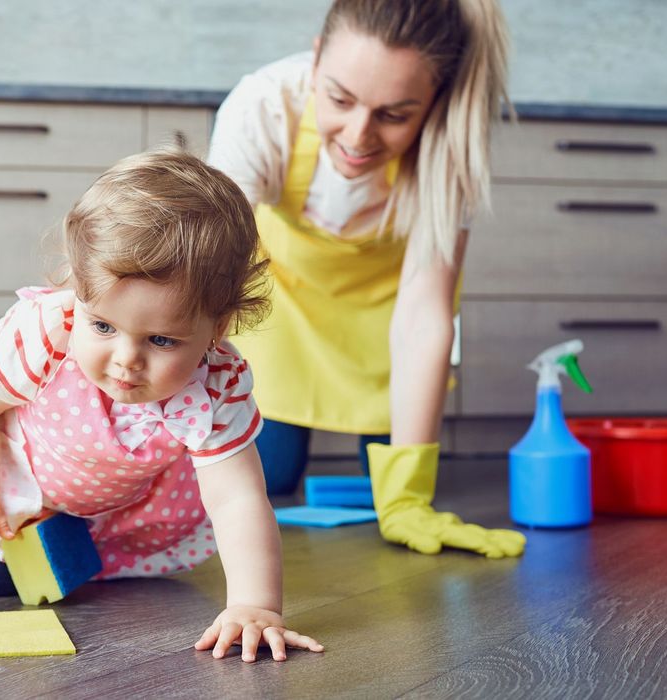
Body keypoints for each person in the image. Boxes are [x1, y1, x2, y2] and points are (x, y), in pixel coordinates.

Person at [0, 149, 324, 663]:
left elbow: (238, 499)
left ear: (216, 329)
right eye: (104, 327)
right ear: (77, 288)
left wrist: (256, 606)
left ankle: (73, 526)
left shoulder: (217, 386)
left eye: (161, 340)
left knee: (87, 564)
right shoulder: (46, 333)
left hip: (105, 486)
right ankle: (35, 516)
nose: (125, 361)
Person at [207, 0, 526, 558]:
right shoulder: (262, 107)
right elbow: (210, 272)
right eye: (338, 99)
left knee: (391, 490)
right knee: (269, 475)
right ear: (315, 58)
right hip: (282, 307)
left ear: (435, 101)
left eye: (395, 114)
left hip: (387, 320)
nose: (358, 135)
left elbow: (426, 316)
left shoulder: (452, 147)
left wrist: (407, 499)